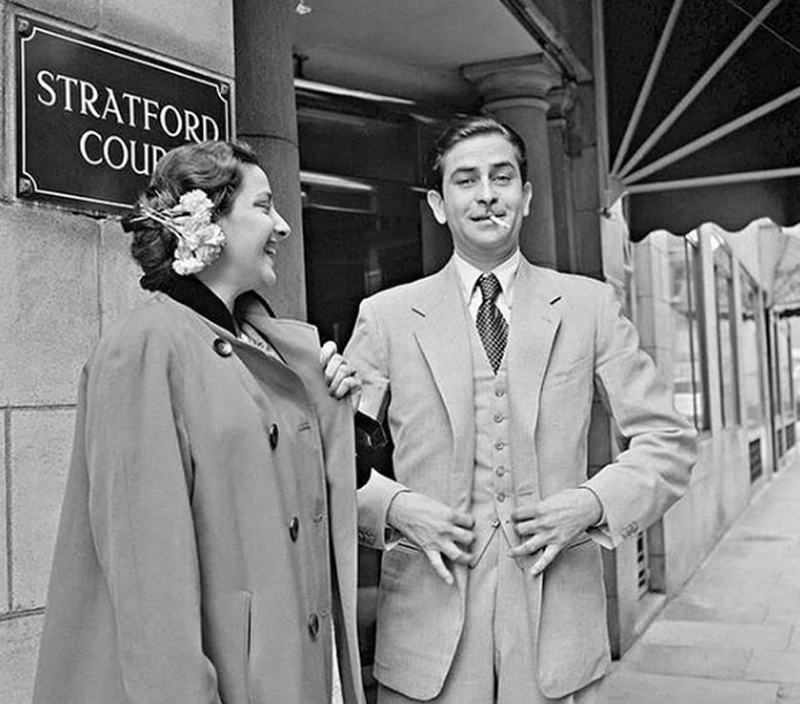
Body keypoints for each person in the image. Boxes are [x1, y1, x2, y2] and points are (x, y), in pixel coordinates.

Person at [348, 116, 697, 703]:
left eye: (502, 177)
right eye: (466, 181)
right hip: (427, 631)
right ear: (438, 205)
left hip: (556, 627)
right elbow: (329, 456)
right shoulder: (385, 317)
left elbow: (670, 441)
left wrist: (591, 504)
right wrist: (398, 509)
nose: (486, 194)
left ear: (527, 196)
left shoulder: (588, 306)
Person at [32, 140, 366, 704]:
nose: (284, 225)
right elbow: (149, 588)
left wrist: (335, 408)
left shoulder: (265, 346)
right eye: (263, 206)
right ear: (205, 221)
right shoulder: (145, 346)